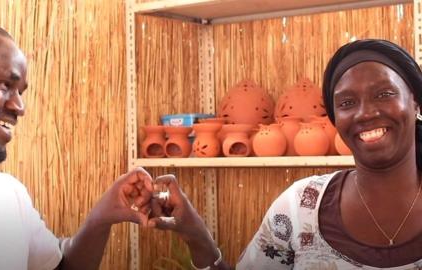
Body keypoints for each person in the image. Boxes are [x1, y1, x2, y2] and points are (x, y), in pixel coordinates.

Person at [148, 39, 422, 269]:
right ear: (336, 119)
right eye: (347, 103)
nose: (365, 113)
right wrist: (196, 236)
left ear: (416, 102)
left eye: (384, 94)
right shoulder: (300, 208)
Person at [0, 18, 155, 270]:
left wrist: (101, 217)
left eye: (21, 91)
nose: (19, 107)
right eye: (5, 85)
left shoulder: (9, 194)